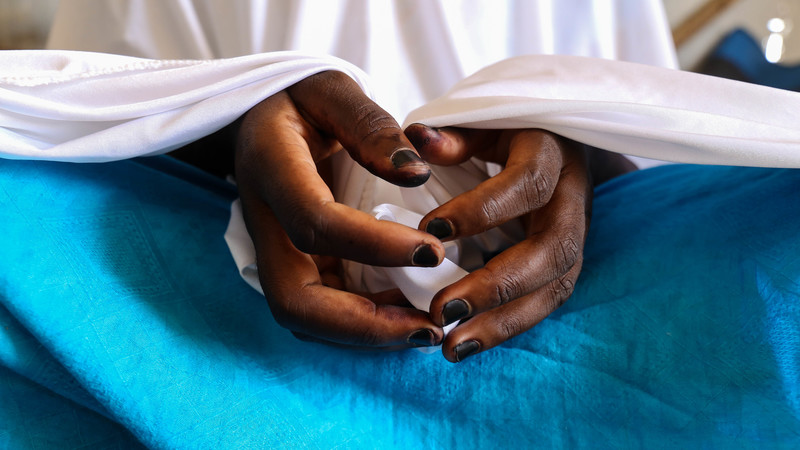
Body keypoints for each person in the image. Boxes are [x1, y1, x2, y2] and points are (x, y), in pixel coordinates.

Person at [3, 1, 800, 447]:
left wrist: (573, 147)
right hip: (254, 302)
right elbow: (100, 126)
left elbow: (644, 131)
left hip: (579, 293)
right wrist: (234, 118)